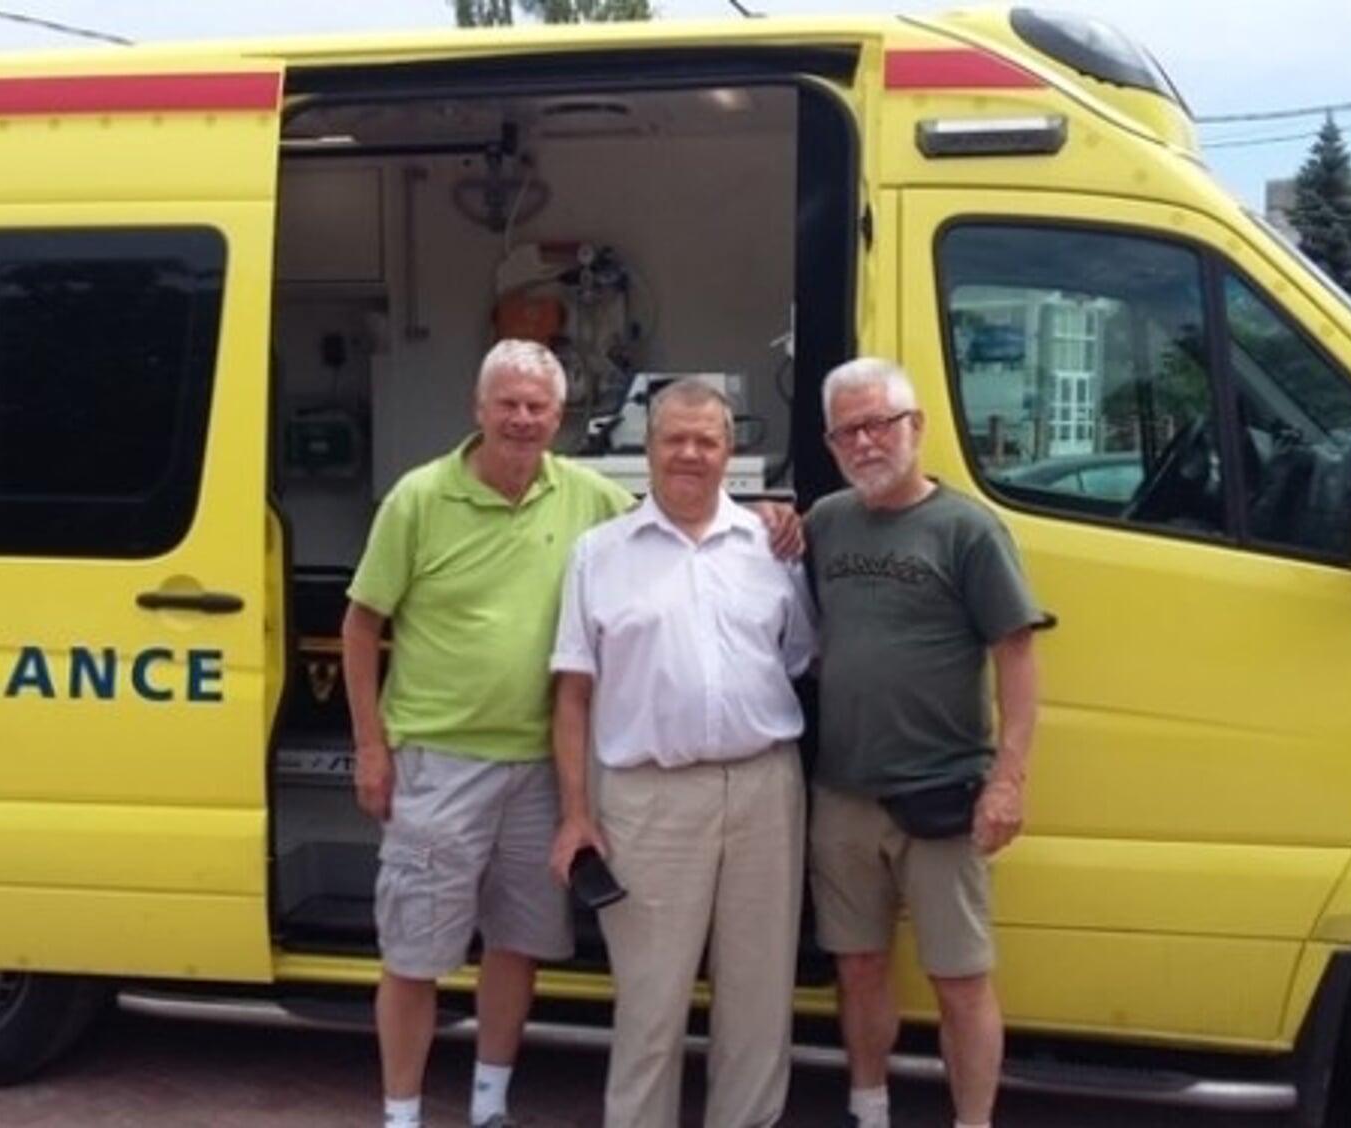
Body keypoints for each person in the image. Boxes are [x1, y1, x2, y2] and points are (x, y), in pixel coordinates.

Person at [343, 342, 800, 1128]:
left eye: (537, 407)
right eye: (508, 403)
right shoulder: (432, 502)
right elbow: (366, 626)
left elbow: (764, 626)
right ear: (477, 407)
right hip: (454, 759)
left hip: (582, 775)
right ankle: (401, 1114)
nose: (522, 419)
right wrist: (372, 747)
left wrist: (775, 515)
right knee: (422, 953)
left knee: (522, 945)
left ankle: (488, 1106)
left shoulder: (608, 506)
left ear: (561, 418)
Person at [547, 378, 817, 1128]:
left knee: (760, 1001)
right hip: (647, 801)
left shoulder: (772, 547)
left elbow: (795, 657)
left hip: (765, 790)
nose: (690, 453)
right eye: (675, 439)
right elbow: (571, 694)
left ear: (731, 452)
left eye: (707, 440)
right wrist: (575, 816)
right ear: (649, 447)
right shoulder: (598, 554)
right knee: (650, 1003)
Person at [804, 358, 1040, 1128]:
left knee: (959, 980)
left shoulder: (968, 529)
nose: (866, 442)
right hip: (843, 795)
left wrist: (1008, 780)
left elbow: (1016, 655)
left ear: (916, 427)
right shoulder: (827, 522)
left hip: (943, 795)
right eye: (848, 430)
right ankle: (868, 1109)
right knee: (859, 967)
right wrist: (775, 520)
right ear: (832, 442)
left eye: (880, 424)